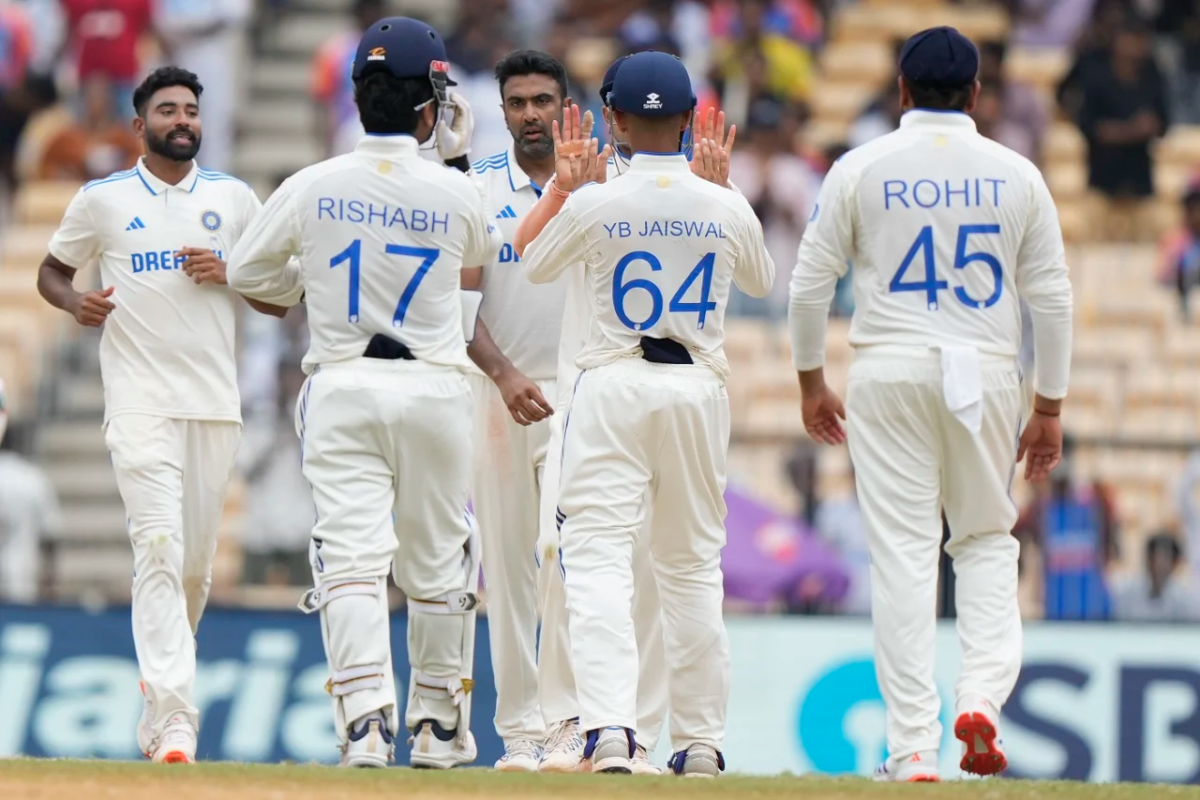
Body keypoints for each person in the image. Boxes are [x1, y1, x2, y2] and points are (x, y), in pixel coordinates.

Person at [788, 27, 1073, 782]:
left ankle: (914, 748)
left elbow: (810, 284)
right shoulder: (1016, 173)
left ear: (902, 91)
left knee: (905, 558)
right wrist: (1048, 405)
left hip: (887, 366)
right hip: (982, 370)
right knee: (983, 541)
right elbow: (1052, 299)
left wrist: (812, 381)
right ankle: (980, 697)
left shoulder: (863, 164)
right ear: (978, 94)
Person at [226, 16, 494, 770]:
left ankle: (365, 723)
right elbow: (482, 250)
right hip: (436, 388)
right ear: (427, 106)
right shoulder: (453, 188)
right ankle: (439, 726)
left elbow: (246, 273)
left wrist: (300, 288)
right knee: (441, 561)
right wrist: (459, 157)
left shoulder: (312, 182)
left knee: (349, 558)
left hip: (342, 383)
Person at [519, 50, 774, 777]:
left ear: (614, 120)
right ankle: (699, 745)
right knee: (691, 570)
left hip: (613, 382)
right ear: (694, 121)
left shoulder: (599, 201)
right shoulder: (721, 201)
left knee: (597, 561)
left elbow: (530, 263)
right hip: (697, 388)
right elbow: (761, 277)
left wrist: (566, 192)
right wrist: (722, 189)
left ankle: (608, 735)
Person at [36, 66, 289, 765]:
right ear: (139, 124)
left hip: (213, 405)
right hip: (139, 401)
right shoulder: (104, 200)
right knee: (156, 546)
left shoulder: (235, 199)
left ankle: (157, 699)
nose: (183, 120)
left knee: (193, 571)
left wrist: (233, 272)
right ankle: (178, 715)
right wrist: (73, 303)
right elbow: (51, 273)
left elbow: (283, 295)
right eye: (168, 111)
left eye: (191, 111)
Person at [1112, 532, 1199, 622]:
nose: (1158, 565)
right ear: (1147, 560)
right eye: (1153, 558)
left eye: (1164, 560)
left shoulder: (1184, 601)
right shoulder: (1126, 595)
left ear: (1174, 563)